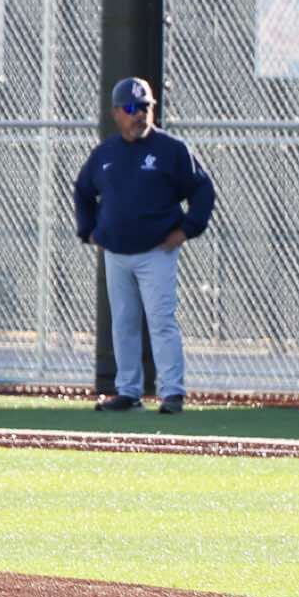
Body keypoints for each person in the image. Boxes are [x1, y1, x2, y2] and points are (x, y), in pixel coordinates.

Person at [73, 76, 216, 415]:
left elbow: (203, 190)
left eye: (145, 107)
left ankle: (172, 392)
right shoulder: (105, 153)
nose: (139, 114)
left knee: (161, 321)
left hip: (156, 251)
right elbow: (82, 191)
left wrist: (187, 229)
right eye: (131, 108)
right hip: (116, 253)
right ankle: (128, 391)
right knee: (123, 322)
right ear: (116, 113)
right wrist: (89, 231)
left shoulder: (171, 150)